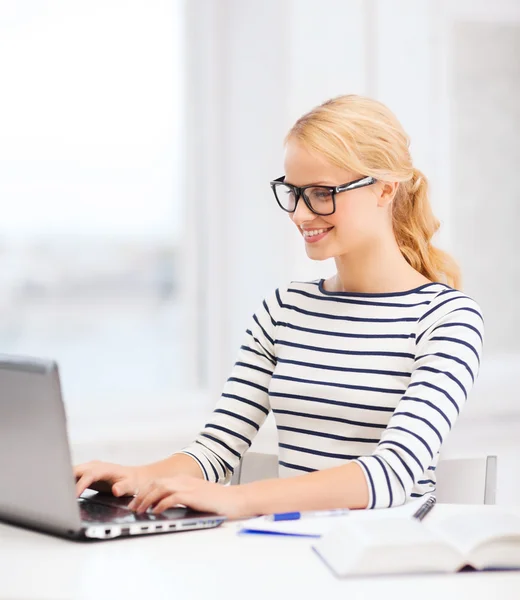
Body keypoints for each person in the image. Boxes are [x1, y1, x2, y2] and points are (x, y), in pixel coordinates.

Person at [75, 94, 484, 519]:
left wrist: (240, 499)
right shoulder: (285, 309)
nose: (301, 214)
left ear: (385, 188)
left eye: (323, 193)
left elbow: (392, 474)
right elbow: (216, 449)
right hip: (287, 550)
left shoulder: (448, 319)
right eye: (294, 193)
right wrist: (135, 477)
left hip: (381, 564)